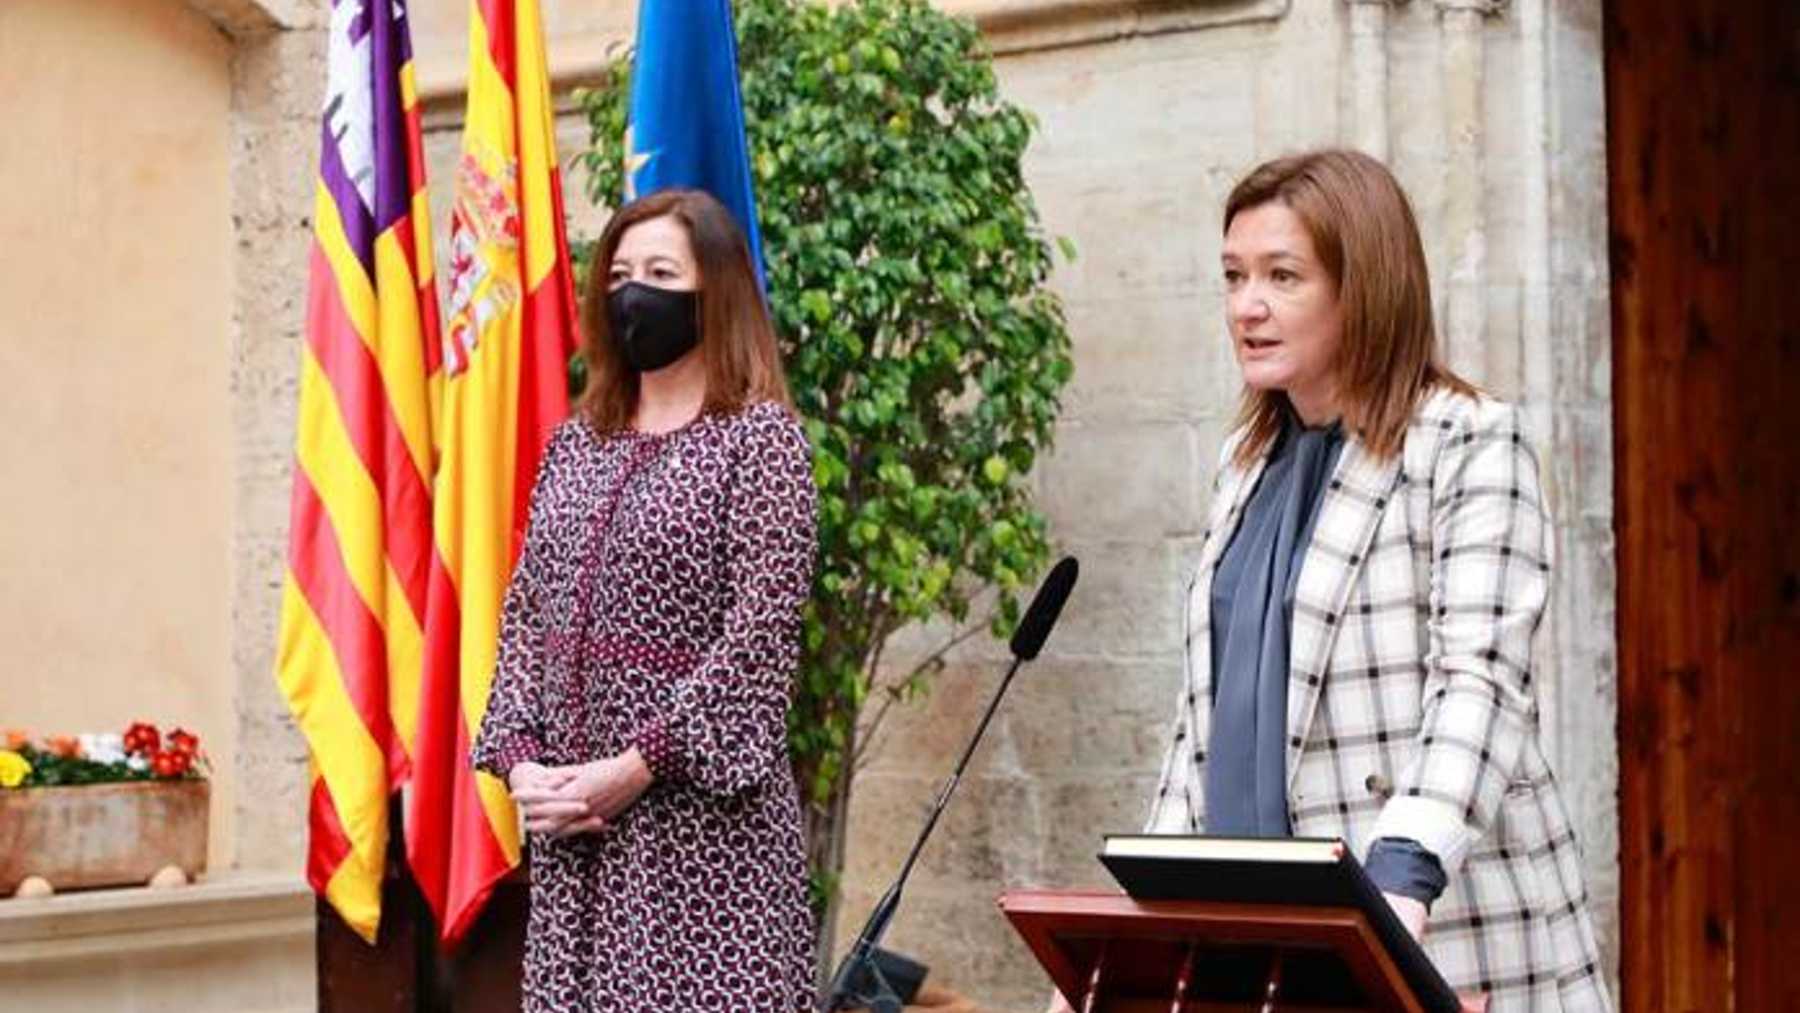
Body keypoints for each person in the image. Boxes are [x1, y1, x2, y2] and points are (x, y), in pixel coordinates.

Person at [1137, 150, 1612, 1012]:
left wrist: (1402, 875)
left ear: (1364, 287)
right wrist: (1146, 908)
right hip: (1263, 939)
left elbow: (1479, 682)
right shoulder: (1244, 463)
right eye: (1235, 275)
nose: (1247, 305)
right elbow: (1199, 721)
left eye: (1283, 275)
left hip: (1435, 923)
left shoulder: (1467, 440)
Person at [471, 187, 818, 1012]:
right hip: (575, 834)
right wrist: (522, 763)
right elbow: (526, 617)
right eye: (620, 274)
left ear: (715, 291)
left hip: (701, 846)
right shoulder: (575, 445)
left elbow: (760, 636)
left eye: (661, 273)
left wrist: (637, 766)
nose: (635, 293)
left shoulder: (759, 442)